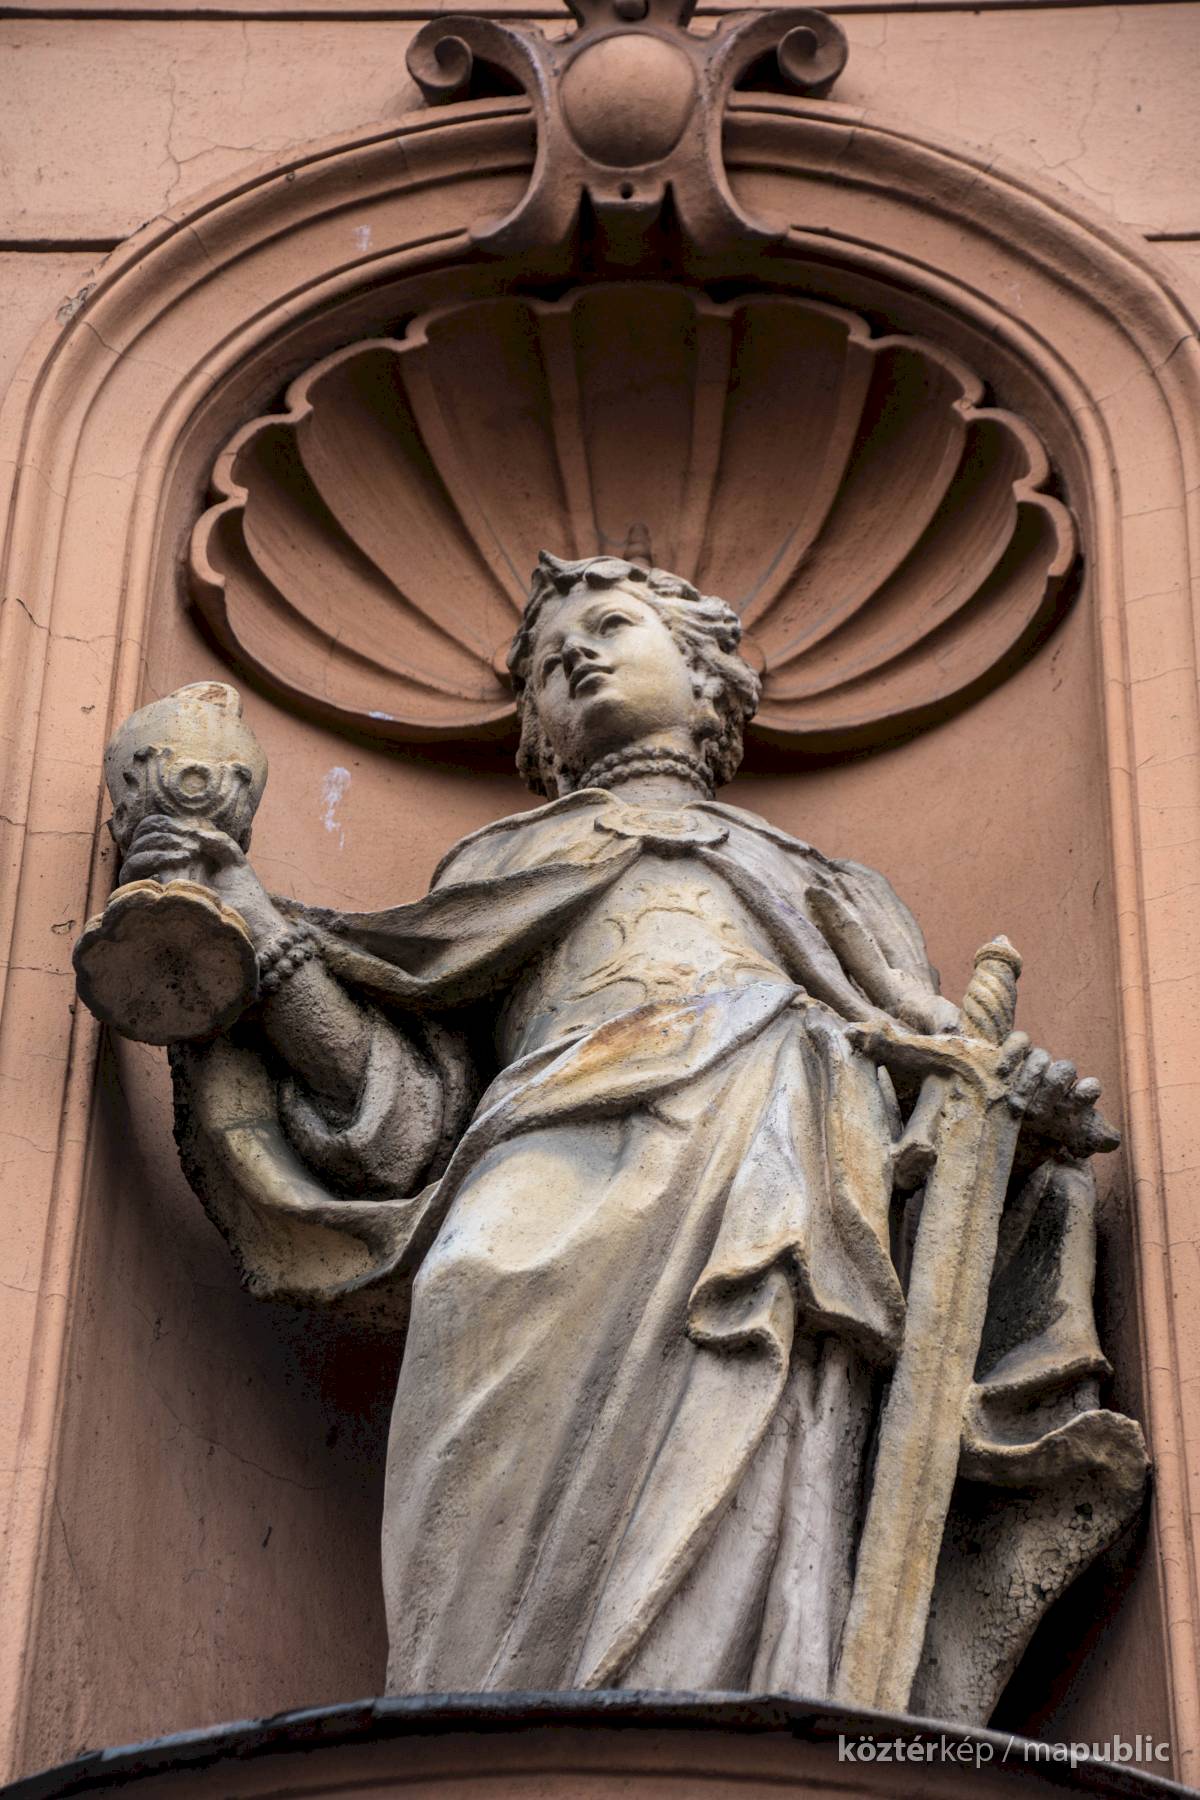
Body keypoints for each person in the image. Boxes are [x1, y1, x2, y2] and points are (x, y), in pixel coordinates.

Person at [133, 552, 1145, 1723]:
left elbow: (930, 1075)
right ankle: (479, 1716)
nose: (578, 654)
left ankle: (738, 1700)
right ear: (536, 730)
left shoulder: (826, 882)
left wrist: (1012, 1103)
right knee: (468, 1278)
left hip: (766, 1146)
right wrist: (252, 931)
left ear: (708, 674)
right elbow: (402, 1123)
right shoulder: (493, 865)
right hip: (540, 1148)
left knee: (753, 1388)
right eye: (548, 664)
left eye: (613, 625)